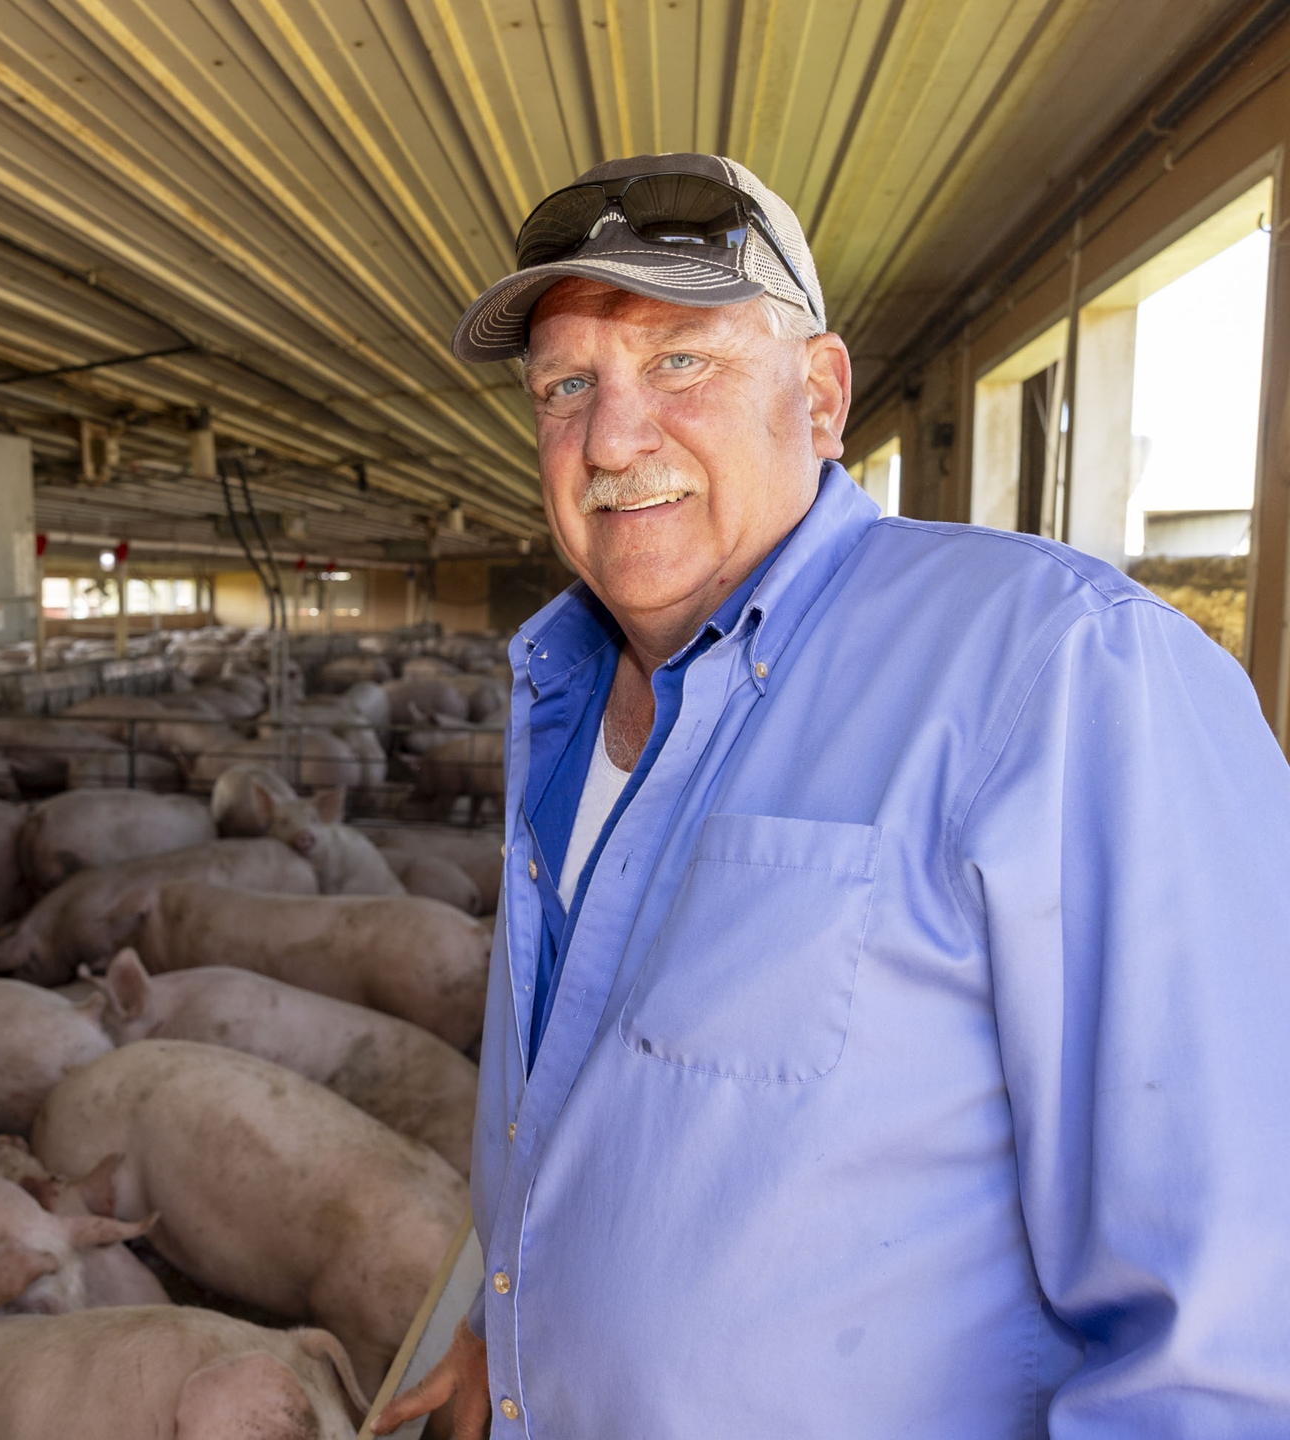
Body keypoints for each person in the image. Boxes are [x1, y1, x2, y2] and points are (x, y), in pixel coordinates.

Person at [375, 152, 1290, 1438]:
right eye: (566, 387)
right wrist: (512, 1336)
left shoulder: (1063, 671)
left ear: (819, 396)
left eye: (680, 360)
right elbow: (604, 1114)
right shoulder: (562, 701)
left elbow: (1233, 1344)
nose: (611, 438)